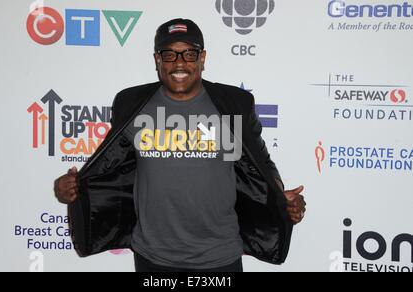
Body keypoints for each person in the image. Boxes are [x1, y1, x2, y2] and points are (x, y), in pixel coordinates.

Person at [55, 18, 306, 272]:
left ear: (202, 58)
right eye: (169, 54)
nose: (179, 63)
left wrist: (278, 197)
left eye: (188, 53)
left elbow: (261, 164)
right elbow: (110, 166)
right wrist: (73, 189)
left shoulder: (235, 105)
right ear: (157, 60)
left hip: (220, 256)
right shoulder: (131, 103)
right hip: (153, 257)